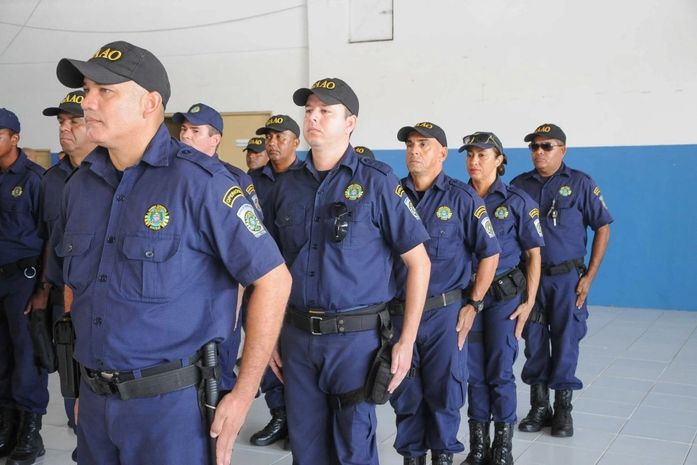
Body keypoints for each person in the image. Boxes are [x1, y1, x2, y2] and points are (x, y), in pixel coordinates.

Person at [55, 40, 291, 465]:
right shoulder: (80, 187)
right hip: (94, 403)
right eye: (87, 90)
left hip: (171, 412)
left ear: (150, 103)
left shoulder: (201, 183)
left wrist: (242, 394)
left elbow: (273, 279)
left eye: (105, 91)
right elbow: (74, 286)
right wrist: (79, 388)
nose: (88, 102)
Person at [265, 78, 431, 465]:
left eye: (325, 111)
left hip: (355, 341)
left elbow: (419, 262)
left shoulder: (377, 181)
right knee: (306, 448)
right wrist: (269, 335)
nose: (313, 118)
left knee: (353, 446)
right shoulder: (285, 187)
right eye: (309, 110)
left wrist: (406, 340)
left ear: (350, 122)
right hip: (297, 337)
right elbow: (271, 270)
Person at [390, 122, 500, 465]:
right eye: (410, 144)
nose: (414, 150)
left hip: (443, 314)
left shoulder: (462, 197)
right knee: (405, 392)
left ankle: (442, 456)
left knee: (445, 393)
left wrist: (474, 303)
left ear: (442, 153)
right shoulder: (391, 194)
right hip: (399, 313)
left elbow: (490, 253)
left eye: (423, 144)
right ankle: (412, 457)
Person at [511, 123, 612, 438]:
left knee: (566, 340)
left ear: (563, 150)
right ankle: (539, 406)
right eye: (534, 147)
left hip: (567, 279)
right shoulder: (519, 185)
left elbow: (603, 226)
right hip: (531, 279)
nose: (539, 152)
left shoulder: (580, 183)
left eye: (547, 146)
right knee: (534, 341)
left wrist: (590, 276)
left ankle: (563, 409)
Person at [461, 131, 543, 465]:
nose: (474, 161)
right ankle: (479, 447)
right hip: (469, 299)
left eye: (482, 155)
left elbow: (534, 255)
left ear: (499, 160)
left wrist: (529, 302)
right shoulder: (457, 198)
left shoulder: (517, 202)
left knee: (499, 371)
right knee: (473, 373)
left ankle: (502, 448)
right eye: (470, 155)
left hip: (503, 299)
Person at [173, 102, 262, 397]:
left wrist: (235, 308)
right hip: (176, 299)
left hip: (220, 299)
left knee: (218, 379)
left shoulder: (235, 180)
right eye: (184, 129)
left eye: (195, 131)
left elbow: (249, 251)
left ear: (215, 139)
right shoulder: (166, 177)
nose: (185, 136)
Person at [34, 90, 96, 462]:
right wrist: (43, 288)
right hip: (63, 299)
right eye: (61, 122)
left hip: (102, 301)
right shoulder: (51, 180)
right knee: (71, 386)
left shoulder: (119, 174)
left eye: (74, 121)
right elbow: (47, 238)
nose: (65, 128)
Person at [243, 114, 304, 448]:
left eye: (280, 137)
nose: (272, 142)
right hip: (258, 281)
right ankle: (279, 413)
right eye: (269, 137)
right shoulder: (251, 182)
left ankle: (300, 419)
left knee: (295, 353)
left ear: (296, 142)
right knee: (262, 347)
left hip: (296, 283)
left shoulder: (309, 180)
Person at [0, 108, 48, 465]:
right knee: (1, 354)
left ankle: (31, 430)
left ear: (15, 138)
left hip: (23, 279)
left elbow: (49, 236)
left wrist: (43, 288)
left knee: (26, 354)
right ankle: (7, 425)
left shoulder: (34, 179)